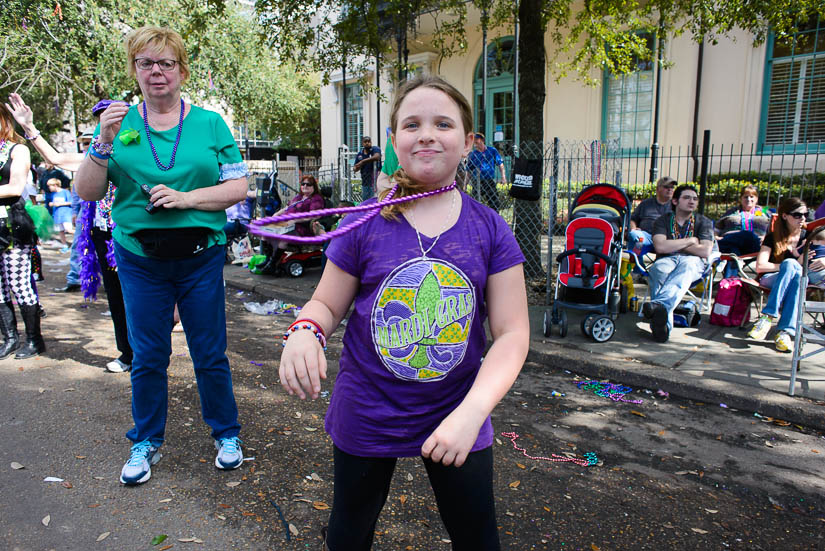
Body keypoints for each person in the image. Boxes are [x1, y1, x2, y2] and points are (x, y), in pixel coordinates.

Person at [279, 75, 529, 550]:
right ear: (394, 141)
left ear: (469, 143)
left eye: (443, 123)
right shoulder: (364, 220)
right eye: (412, 124)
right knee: (350, 531)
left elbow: (513, 332)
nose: (428, 134)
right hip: (368, 408)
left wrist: (472, 412)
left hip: (457, 407)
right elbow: (326, 304)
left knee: (478, 538)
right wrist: (305, 329)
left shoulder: (491, 229)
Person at [75, 26, 249, 485]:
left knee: (209, 352)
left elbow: (238, 187)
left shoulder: (211, 123)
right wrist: (102, 142)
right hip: (140, 260)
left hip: (200, 256)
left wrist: (187, 199)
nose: (156, 72)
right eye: (146, 63)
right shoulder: (117, 122)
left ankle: (226, 434)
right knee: (148, 355)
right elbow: (88, 191)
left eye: (166, 63)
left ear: (181, 70)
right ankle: (146, 440)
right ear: (134, 70)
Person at [6, 93, 134, 372]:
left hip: (133, 234)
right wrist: (29, 127)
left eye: (112, 122)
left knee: (139, 296)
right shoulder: (95, 157)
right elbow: (54, 157)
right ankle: (127, 353)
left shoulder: (135, 154)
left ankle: (149, 352)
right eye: (101, 123)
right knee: (115, 296)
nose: (105, 128)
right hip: (104, 235)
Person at [747, 198, 824, 352]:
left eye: (805, 214)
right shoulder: (773, 237)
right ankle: (783, 330)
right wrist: (794, 263)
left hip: (801, 279)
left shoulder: (810, 236)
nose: (802, 218)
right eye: (797, 215)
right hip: (772, 278)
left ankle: (776, 325)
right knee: (790, 265)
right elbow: (760, 266)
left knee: (797, 278)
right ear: (784, 216)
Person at [0, 104, 45, 359]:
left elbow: (16, 187)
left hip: (14, 226)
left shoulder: (18, 149)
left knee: (19, 283)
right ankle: (9, 339)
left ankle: (33, 340)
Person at [645, 184, 714, 342]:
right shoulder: (663, 221)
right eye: (687, 197)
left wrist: (674, 244)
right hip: (667, 259)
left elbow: (705, 251)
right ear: (675, 201)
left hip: (694, 262)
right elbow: (660, 246)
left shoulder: (703, 222)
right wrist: (690, 241)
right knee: (658, 269)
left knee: (687, 266)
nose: (692, 201)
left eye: (695, 199)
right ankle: (663, 327)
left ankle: (658, 305)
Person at [259, 175, 325, 274]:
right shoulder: (298, 197)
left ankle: (272, 264)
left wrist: (295, 220)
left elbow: (314, 216)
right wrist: (276, 215)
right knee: (265, 233)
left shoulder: (316, 199)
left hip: (302, 228)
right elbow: (286, 208)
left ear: (314, 186)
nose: (305, 186)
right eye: (303, 184)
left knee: (284, 237)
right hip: (286, 224)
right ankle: (268, 260)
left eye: (308, 184)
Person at [715, 185, 771, 277]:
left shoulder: (765, 213)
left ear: (756, 199)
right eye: (745, 197)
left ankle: (719, 244)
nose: (749, 199)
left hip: (754, 245)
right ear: (741, 199)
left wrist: (766, 238)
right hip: (731, 246)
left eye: (751, 196)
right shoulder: (732, 212)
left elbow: (774, 231)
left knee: (747, 234)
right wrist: (716, 236)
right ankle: (730, 285)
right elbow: (717, 228)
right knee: (733, 254)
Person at [628, 176, 676, 258]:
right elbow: (633, 219)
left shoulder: (676, 206)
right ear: (657, 189)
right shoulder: (646, 204)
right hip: (646, 237)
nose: (670, 189)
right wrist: (633, 228)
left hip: (666, 240)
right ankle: (637, 268)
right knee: (636, 238)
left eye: (672, 187)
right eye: (666, 187)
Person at [466, 132, 506, 212]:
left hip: (489, 180)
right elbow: (469, 171)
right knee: (475, 203)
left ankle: (495, 219)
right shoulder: (473, 154)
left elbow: (500, 164)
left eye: (477, 139)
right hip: (477, 181)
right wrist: (465, 184)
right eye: (474, 140)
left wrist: (503, 177)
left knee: (494, 203)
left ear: (482, 140)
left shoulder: (492, 151)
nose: (475, 142)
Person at [47, 178, 73, 252]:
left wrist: (59, 204)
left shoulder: (65, 192)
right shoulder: (54, 194)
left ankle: (80, 242)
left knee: (69, 230)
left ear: (55, 185)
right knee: (60, 231)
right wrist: (52, 204)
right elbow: (53, 203)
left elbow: (71, 202)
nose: (49, 188)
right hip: (57, 215)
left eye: (50, 186)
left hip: (65, 214)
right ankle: (65, 245)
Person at [352, 136, 381, 201]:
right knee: (365, 199)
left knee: (374, 198)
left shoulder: (374, 149)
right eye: (365, 142)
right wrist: (356, 168)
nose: (367, 143)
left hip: (374, 177)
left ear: (371, 142)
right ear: (362, 143)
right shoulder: (360, 154)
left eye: (369, 141)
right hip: (365, 179)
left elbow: (377, 157)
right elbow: (355, 167)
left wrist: (362, 162)